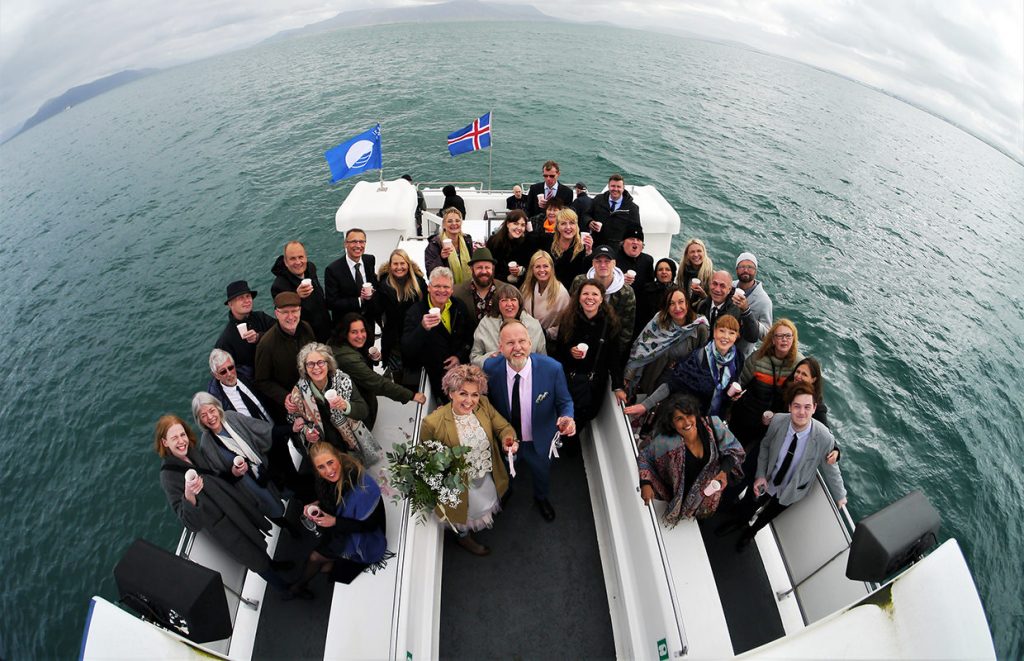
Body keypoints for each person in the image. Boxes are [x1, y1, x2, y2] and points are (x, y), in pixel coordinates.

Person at [155, 415, 293, 594]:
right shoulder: (168, 476)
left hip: (235, 506)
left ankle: (274, 565)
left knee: (256, 541)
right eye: (174, 438)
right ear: (164, 442)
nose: (181, 441)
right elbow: (190, 522)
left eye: (183, 435)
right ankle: (286, 590)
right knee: (253, 558)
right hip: (223, 526)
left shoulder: (193, 451)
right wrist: (189, 494)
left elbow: (216, 475)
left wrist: (233, 472)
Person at [732, 382, 847, 551]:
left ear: (814, 408)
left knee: (768, 515)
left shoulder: (824, 438)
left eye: (807, 407)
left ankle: (750, 533)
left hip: (792, 488)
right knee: (750, 503)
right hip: (768, 479)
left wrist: (840, 495)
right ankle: (738, 522)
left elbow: (831, 469)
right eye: (797, 406)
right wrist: (761, 474)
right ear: (790, 407)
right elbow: (765, 446)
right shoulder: (778, 421)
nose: (802, 412)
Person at [483, 321, 576, 522]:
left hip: (539, 439)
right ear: (500, 347)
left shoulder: (552, 369)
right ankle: (505, 492)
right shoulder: (490, 367)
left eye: (522, 341)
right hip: (506, 440)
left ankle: (541, 498)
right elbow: (486, 403)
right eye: (510, 343)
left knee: (541, 472)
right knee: (505, 470)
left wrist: (568, 417)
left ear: (530, 343)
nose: (517, 347)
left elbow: (565, 401)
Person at [420, 364, 518, 553]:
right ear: (450, 393)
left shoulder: (484, 405)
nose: (470, 400)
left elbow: (502, 427)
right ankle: (463, 538)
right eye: (463, 393)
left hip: (486, 473)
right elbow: (427, 458)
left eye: (475, 394)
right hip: (458, 485)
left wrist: (509, 439)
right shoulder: (432, 423)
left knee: (488, 500)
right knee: (462, 514)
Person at [191, 392, 300, 536]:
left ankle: (302, 512)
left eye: (211, 410)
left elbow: (262, 430)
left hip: (265, 469)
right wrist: (234, 473)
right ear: (200, 420)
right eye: (203, 415)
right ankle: (289, 528)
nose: (210, 417)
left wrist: (291, 429)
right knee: (270, 508)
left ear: (218, 407)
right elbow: (219, 478)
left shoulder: (232, 417)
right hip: (249, 486)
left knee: (289, 490)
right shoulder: (206, 445)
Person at [293, 442, 390, 591]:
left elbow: (371, 525)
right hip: (336, 531)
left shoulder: (364, 487)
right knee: (324, 565)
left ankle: (298, 587)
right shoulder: (323, 480)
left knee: (314, 558)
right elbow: (334, 501)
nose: (329, 471)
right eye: (321, 467)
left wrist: (334, 521)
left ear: (338, 457)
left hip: (351, 534)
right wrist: (317, 503)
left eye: (330, 462)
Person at [638, 394, 745, 526]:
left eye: (689, 415)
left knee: (702, 517)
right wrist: (646, 483)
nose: (687, 422)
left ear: (695, 414)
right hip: (681, 494)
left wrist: (724, 471)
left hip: (709, 493)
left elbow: (734, 449)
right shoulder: (665, 442)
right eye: (679, 419)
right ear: (672, 424)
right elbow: (645, 456)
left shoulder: (714, 425)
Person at [627, 314, 742, 419]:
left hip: (714, 421)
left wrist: (732, 397)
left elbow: (731, 384)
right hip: (688, 418)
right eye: (722, 331)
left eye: (731, 333)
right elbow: (672, 383)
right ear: (714, 332)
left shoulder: (737, 358)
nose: (726, 337)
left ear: (737, 336)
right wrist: (645, 405)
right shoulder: (698, 358)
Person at [329, 312, 426, 429]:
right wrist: (411, 395)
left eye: (362, 330)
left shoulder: (336, 344)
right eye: (354, 332)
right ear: (345, 334)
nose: (360, 336)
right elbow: (377, 382)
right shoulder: (348, 358)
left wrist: (367, 356)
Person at [288, 342, 379, 465]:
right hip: (324, 450)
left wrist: (346, 406)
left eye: (321, 362)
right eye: (310, 364)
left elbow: (364, 411)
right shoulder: (298, 391)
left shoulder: (343, 380)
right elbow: (293, 418)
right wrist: (305, 431)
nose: (316, 368)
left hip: (349, 444)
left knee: (353, 469)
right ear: (304, 367)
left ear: (328, 363)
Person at [553, 280, 627, 426]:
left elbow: (614, 357)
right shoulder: (568, 319)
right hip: (568, 380)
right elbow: (558, 351)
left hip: (593, 385)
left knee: (582, 419)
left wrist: (618, 386)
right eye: (585, 293)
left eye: (595, 294)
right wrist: (570, 352)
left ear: (601, 299)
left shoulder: (610, 323)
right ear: (579, 297)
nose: (590, 297)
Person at [729, 318, 804, 451]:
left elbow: (810, 396)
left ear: (794, 339)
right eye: (779, 336)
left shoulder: (800, 364)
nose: (784, 339)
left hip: (776, 421)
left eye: (788, 336)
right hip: (749, 414)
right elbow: (740, 382)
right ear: (773, 340)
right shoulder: (758, 358)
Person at [623, 285, 710, 399]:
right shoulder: (658, 321)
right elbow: (641, 347)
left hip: (676, 384)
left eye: (681, 302)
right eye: (671, 303)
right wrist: (628, 376)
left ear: (687, 304)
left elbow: (702, 362)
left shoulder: (700, 328)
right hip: (650, 378)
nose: (677, 308)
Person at [401, 267, 474, 402]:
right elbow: (407, 350)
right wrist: (422, 328)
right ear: (429, 287)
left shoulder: (459, 307)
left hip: (461, 372)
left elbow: (469, 337)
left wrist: (459, 356)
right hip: (433, 378)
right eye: (437, 286)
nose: (441, 290)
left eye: (446, 287)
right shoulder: (415, 312)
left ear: (452, 290)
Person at [254, 292, 317, 422]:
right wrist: (285, 397)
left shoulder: (306, 327)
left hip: (316, 391)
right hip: (294, 404)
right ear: (276, 314)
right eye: (285, 312)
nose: (291, 317)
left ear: (300, 311)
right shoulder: (266, 345)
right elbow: (261, 381)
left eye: (294, 311)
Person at [570, 244, 637, 353]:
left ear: (614, 263)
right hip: (581, 341)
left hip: (609, 346)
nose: (602, 265)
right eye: (598, 261)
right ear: (593, 263)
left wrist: (616, 353)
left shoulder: (626, 292)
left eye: (607, 261)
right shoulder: (579, 282)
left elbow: (627, 329)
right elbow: (571, 313)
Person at [376, 248, 427, 385]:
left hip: (414, 333)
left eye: (402, 263)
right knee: (397, 370)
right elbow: (377, 310)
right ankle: (401, 393)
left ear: (408, 264)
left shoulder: (419, 283)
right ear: (390, 266)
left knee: (415, 370)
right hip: (394, 339)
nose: (399, 267)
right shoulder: (384, 285)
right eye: (395, 264)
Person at [270, 240, 332, 342]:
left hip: (327, 329)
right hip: (307, 339)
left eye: (301, 257)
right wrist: (296, 296)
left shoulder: (310, 268)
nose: (298, 262)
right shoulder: (278, 286)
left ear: (306, 257)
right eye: (292, 259)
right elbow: (285, 319)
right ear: (285, 262)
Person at [471, 284, 547, 366]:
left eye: (513, 300)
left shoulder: (534, 325)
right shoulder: (485, 324)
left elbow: (543, 359)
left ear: (519, 303)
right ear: (497, 304)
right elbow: (474, 358)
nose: (509, 304)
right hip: (494, 375)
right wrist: (489, 358)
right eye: (504, 300)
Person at [214, 280, 275, 376]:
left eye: (248, 296)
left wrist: (259, 337)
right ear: (230, 304)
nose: (247, 300)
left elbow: (281, 332)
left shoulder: (261, 317)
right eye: (241, 298)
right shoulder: (225, 341)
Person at [324, 228, 378, 331]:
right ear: (345, 244)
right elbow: (331, 303)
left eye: (361, 241)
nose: (358, 245)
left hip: (368, 322)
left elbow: (374, 282)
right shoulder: (333, 270)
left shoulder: (369, 260)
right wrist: (359, 300)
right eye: (353, 241)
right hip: (346, 326)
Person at [791, 358, 841, 463]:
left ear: (813, 379)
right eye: (798, 372)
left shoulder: (814, 403)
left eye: (804, 374)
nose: (798, 376)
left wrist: (835, 449)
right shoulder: (788, 385)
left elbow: (825, 428)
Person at [694, 270, 759, 347]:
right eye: (714, 284)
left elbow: (752, 337)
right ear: (709, 285)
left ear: (729, 290)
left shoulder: (736, 311)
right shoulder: (703, 304)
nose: (717, 289)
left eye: (722, 286)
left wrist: (746, 311)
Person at [520, 250, 570, 340]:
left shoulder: (561, 293)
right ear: (532, 269)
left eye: (545, 266)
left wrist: (546, 333)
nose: (542, 270)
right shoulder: (526, 288)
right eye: (538, 267)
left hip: (549, 340)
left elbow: (567, 323)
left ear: (551, 268)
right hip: (525, 336)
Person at [452, 247, 506, 332]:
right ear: (471, 269)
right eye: (479, 268)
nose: (484, 271)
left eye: (487, 267)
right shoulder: (456, 292)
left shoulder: (505, 290)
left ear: (493, 269)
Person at [583, 173, 641, 250]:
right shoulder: (598, 199)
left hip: (618, 249)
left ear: (623, 188)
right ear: (608, 186)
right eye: (613, 186)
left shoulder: (632, 208)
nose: (615, 189)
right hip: (596, 244)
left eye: (618, 187)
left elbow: (637, 231)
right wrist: (589, 222)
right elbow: (586, 215)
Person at [616, 227, 655, 338]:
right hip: (618, 308)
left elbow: (649, 286)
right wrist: (619, 279)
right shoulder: (614, 258)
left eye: (638, 240)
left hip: (638, 310)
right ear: (623, 242)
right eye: (631, 238)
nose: (635, 242)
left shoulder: (648, 260)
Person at [732, 252, 773, 357]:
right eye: (742, 266)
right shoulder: (730, 286)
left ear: (756, 271)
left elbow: (767, 336)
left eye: (750, 267)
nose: (746, 270)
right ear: (736, 269)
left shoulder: (764, 301)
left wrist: (749, 318)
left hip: (741, 353)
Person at [424, 207, 474, 284]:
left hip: (467, 288)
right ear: (444, 225)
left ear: (461, 223)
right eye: (450, 221)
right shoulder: (435, 245)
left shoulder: (467, 241)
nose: (454, 224)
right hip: (445, 289)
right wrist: (441, 258)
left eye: (457, 221)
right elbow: (430, 274)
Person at [487, 210, 535, 284]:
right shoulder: (493, 241)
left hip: (520, 286)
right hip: (499, 285)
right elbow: (491, 266)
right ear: (508, 224)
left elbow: (530, 265)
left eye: (522, 225)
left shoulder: (527, 242)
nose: (519, 228)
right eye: (516, 223)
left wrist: (521, 271)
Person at [549, 207, 590, 289]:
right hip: (550, 289)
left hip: (572, 293)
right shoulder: (548, 241)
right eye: (563, 223)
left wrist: (589, 253)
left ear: (577, 226)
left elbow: (586, 276)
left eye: (572, 223)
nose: (568, 227)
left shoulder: (583, 246)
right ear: (557, 226)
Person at [636, 258, 677, 338]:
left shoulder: (678, 292)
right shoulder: (646, 289)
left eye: (667, 269)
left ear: (673, 273)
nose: (664, 272)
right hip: (646, 333)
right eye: (660, 269)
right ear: (656, 273)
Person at [676, 238, 714, 304]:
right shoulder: (682, 271)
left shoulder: (712, 275)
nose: (696, 255)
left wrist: (703, 295)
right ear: (687, 255)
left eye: (699, 251)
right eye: (692, 252)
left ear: (704, 253)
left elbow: (714, 304)